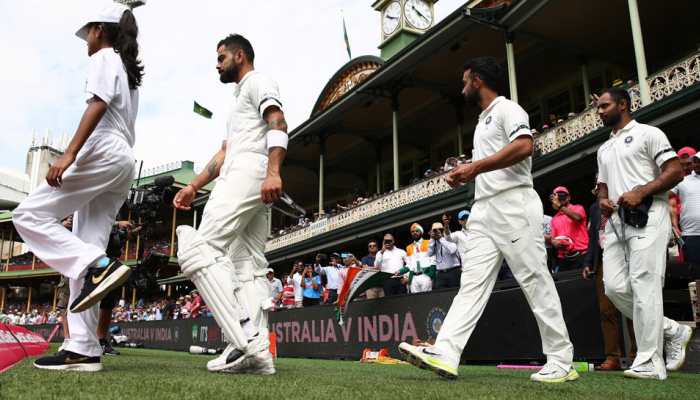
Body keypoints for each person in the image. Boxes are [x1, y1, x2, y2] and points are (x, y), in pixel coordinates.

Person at [399, 57, 577, 383]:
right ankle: (446, 352)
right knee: (471, 285)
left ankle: (561, 359)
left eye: (465, 80)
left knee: (534, 280)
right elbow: (492, 162)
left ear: (478, 80)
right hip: (483, 210)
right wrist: (469, 172)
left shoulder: (508, 109)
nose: (462, 86)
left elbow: (525, 145)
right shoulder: (483, 121)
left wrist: (476, 168)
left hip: (513, 204)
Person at [12, 4, 143, 372]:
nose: (86, 38)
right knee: (83, 248)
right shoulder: (129, 70)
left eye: (88, 31)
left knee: (28, 215)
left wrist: (69, 153)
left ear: (101, 30)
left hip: (101, 150)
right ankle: (83, 348)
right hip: (122, 160)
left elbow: (98, 103)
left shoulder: (105, 56)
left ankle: (99, 264)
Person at [173, 33, 287, 375]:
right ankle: (258, 354)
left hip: (249, 172)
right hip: (248, 171)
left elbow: (278, 123)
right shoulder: (239, 101)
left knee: (199, 249)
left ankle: (244, 341)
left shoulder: (257, 81)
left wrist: (273, 172)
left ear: (239, 55)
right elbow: (225, 153)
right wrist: (194, 185)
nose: (217, 64)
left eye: (221, 57)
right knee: (247, 265)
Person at [595, 87, 693, 380]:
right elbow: (602, 185)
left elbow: (675, 171)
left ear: (622, 105)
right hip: (616, 223)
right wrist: (602, 199)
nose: (599, 111)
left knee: (644, 285)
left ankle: (650, 362)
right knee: (614, 288)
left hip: (650, 214)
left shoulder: (650, 133)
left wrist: (641, 191)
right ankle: (672, 330)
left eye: (604, 106)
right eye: (598, 107)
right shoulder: (604, 148)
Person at [582, 178, 636, 370]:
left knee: (631, 306)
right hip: (603, 258)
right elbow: (592, 237)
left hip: (627, 253)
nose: (598, 189)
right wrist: (589, 262)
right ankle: (612, 357)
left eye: (601, 186)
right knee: (606, 310)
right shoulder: (594, 208)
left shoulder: (625, 198)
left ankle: (637, 355)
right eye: (596, 187)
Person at [549, 186, 588, 272]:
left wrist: (560, 206)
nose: (560, 197)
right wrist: (554, 242)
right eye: (557, 196)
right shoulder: (554, 219)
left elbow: (577, 217)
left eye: (563, 195)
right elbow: (553, 238)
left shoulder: (578, 208)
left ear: (569, 197)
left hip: (581, 255)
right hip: (564, 258)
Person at [672, 153, 700, 264]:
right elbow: (665, 197)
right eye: (695, 161)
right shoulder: (682, 180)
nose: (696, 164)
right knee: (694, 274)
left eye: (699, 161)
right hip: (691, 234)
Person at [402, 223, 435, 293]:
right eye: (412, 232)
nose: (415, 233)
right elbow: (409, 264)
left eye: (417, 231)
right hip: (414, 277)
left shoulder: (428, 242)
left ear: (421, 232)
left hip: (425, 275)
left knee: (427, 298)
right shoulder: (409, 247)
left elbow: (433, 259)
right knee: (415, 300)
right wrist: (407, 277)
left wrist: (431, 275)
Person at [428, 222, 461, 289]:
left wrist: (441, 239)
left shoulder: (450, 237)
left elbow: (452, 250)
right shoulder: (434, 242)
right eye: (435, 230)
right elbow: (429, 253)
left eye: (439, 229)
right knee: (441, 296)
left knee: (455, 293)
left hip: (453, 271)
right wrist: (432, 239)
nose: (437, 231)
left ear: (442, 230)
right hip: (440, 274)